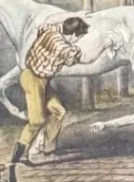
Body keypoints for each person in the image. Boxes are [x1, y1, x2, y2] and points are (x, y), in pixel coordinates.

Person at [16, 15, 91, 165]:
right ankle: (19, 155)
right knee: (37, 120)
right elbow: (85, 59)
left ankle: (49, 150)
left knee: (58, 111)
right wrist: (105, 45)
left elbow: (47, 26)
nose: (78, 41)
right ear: (73, 34)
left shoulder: (52, 31)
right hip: (32, 79)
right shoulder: (60, 45)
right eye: (79, 37)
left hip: (42, 81)